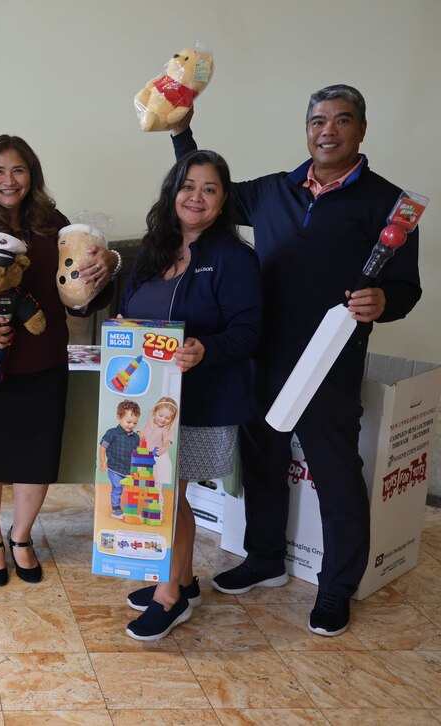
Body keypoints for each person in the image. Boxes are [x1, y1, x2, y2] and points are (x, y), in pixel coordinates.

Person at [170, 85, 421, 636]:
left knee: (335, 473)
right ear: (306, 129)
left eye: (341, 120)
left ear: (361, 128)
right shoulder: (272, 191)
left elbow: (407, 288)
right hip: (264, 351)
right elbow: (202, 190)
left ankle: (337, 587)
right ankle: (264, 559)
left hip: (330, 359)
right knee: (263, 460)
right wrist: (180, 131)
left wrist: (386, 302)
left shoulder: (390, 203)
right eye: (317, 121)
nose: (327, 130)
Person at [0, 135, 116, 586]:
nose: (8, 181)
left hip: (41, 359)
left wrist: (104, 270)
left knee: (36, 455)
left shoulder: (57, 227)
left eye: (17, 170)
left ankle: (22, 535)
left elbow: (81, 300)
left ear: (32, 176)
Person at [118, 149, 262, 640]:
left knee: (169, 493)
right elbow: (128, 315)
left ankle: (169, 596)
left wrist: (207, 349)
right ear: (172, 192)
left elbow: (249, 332)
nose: (196, 197)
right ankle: (180, 577)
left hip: (201, 401)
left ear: (223, 203)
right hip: (151, 400)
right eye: (188, 185)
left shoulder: (234, 258)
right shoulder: (152, 251)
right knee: (161, 490)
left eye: (210, 189)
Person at [99, 400, 143, 520]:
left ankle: (130, 510)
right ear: (119, 417)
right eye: (128, 421)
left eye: (135, 423)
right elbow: (103, 446)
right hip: (115, 468)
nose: (131, 425)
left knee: (131, 490)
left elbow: (138, 451)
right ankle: (116, 510)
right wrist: (103, 461)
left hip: (129, 470)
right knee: (117, 488)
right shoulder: (112, 433)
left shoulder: (135, 438)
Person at [139, 396, 178, 485]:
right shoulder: (148, 423)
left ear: (172, 419)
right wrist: (140, 436)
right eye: (161, 415)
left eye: (167, 418)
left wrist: (162, 448)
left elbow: (167, 442)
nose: (163, 419)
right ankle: (148, 493)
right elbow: (140, 432)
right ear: (155, 412)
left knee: (158, 477)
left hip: (159, 456)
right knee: (148, 478)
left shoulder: (166, 429)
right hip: (147, 455)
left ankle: (158, 493)